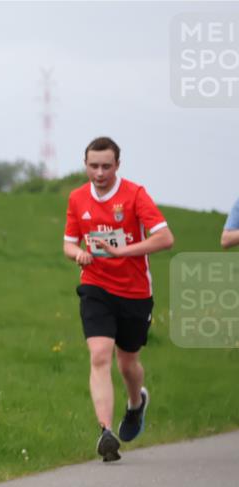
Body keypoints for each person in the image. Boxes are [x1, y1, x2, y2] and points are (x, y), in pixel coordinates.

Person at [63, 136, 174, 462]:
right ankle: (106, 432)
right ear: (85, 165)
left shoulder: (135, 194)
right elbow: (68, 243)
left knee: (128, 364)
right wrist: (78, 255)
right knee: (99, 355)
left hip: (135, 292)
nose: (99, 173)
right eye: (93, 166)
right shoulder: (77, 198)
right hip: (96, 286)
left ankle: (136, 403)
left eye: (106, 166)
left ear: (117, 166)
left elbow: (165, 238)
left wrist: (123, 251)